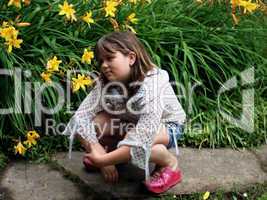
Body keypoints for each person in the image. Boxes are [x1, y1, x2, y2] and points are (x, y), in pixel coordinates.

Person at [63, 31, 186, 194]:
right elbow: (80, 118)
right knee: (96, 124)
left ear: (131, 58)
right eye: (101, 61)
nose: (104, 65)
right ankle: (115, 154)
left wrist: (102, 160)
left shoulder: (154, 82)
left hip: (166, 126)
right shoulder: (106, 82)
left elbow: (143, 134)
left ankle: (170, 163)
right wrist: (97, 150)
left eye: (110, 58)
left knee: (138, 141)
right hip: (131, 123)